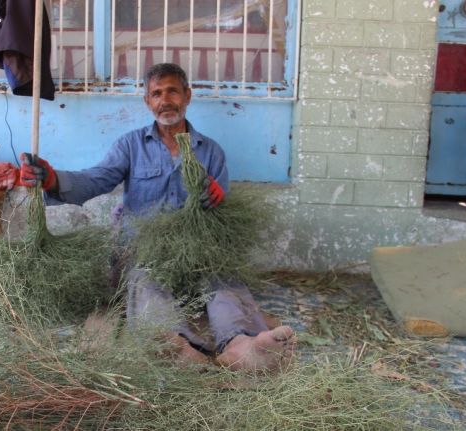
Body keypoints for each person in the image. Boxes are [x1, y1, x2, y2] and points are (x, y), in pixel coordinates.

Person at [20, 63, 295, 371]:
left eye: (172, 91)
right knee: (146, 279)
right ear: (147, 102)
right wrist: (52, 179)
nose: (165, 100)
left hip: (199, 250)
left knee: (223, 281)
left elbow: (222, 217)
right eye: (157, 93)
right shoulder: (130, 146)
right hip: (144, 250)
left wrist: (219, 201)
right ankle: (174, 344)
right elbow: (95, 179)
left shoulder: (211, 152)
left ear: (187, 96)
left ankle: (241, 346)